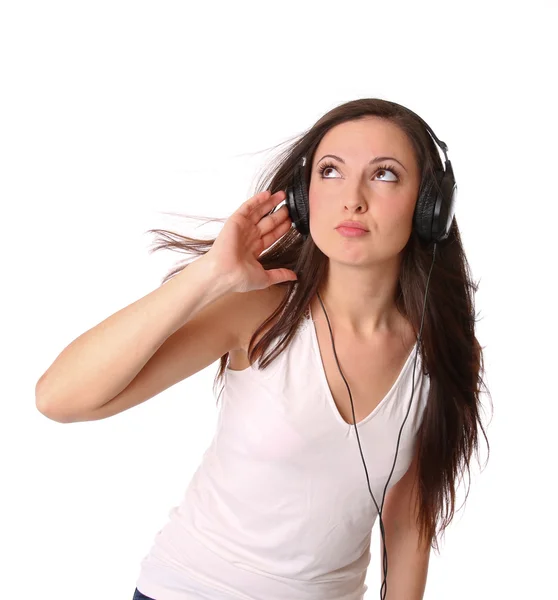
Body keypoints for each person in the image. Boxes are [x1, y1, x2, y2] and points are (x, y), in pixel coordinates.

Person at [36, 98, 490, 600]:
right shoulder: (257, 314)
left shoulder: (443, 352)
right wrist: (208, 276)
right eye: (331, 171)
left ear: (430, 207)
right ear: (304, 195)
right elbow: (59, 399)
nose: (353, 198)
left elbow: (409, 521)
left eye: (384, 175)